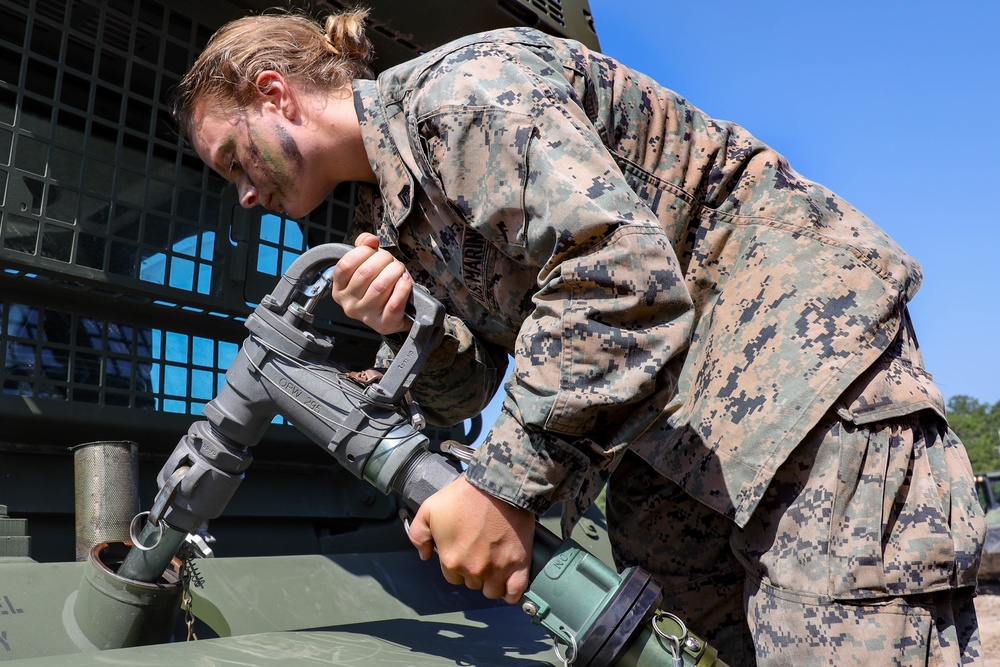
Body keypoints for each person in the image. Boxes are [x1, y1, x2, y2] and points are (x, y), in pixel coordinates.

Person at [173, 8, 986, 665]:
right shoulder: (393, 216)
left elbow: (618, 271)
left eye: (234, 159)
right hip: (695, 454)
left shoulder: (461, 99)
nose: (242, 194)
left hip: (804, 393)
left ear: (275, 94)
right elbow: (478, 381)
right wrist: (406, 325)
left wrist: (502, 490)